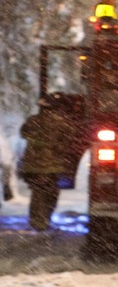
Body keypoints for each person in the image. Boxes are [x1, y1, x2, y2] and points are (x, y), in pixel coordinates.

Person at [20, 94, 88, 231]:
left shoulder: (32, 121)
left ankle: (37, 221)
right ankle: (44, 219)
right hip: (52, 166)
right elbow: (71, 140)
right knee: (50, 193)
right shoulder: (63, 123)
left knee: (38, 193)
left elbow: (23, 133)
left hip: (33, 165)